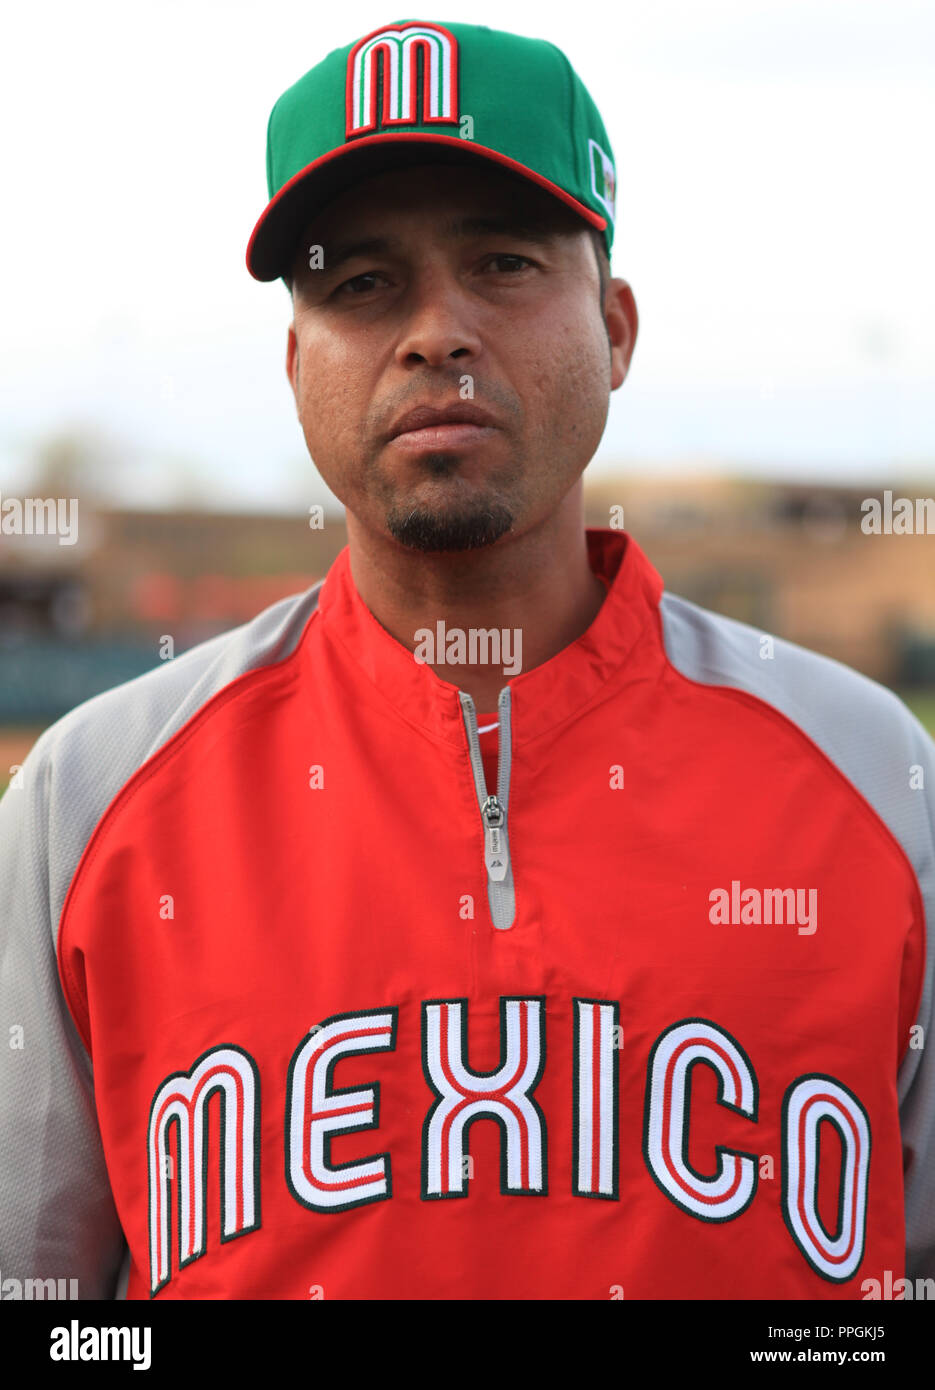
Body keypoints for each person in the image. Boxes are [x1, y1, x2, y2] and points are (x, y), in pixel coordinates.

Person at [1, 18, 933, 1302]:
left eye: (501, 262)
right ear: (293, 363)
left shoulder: (873, 772)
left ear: (614, 328)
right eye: (362, 282)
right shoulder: (88, 798)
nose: (436, 332)